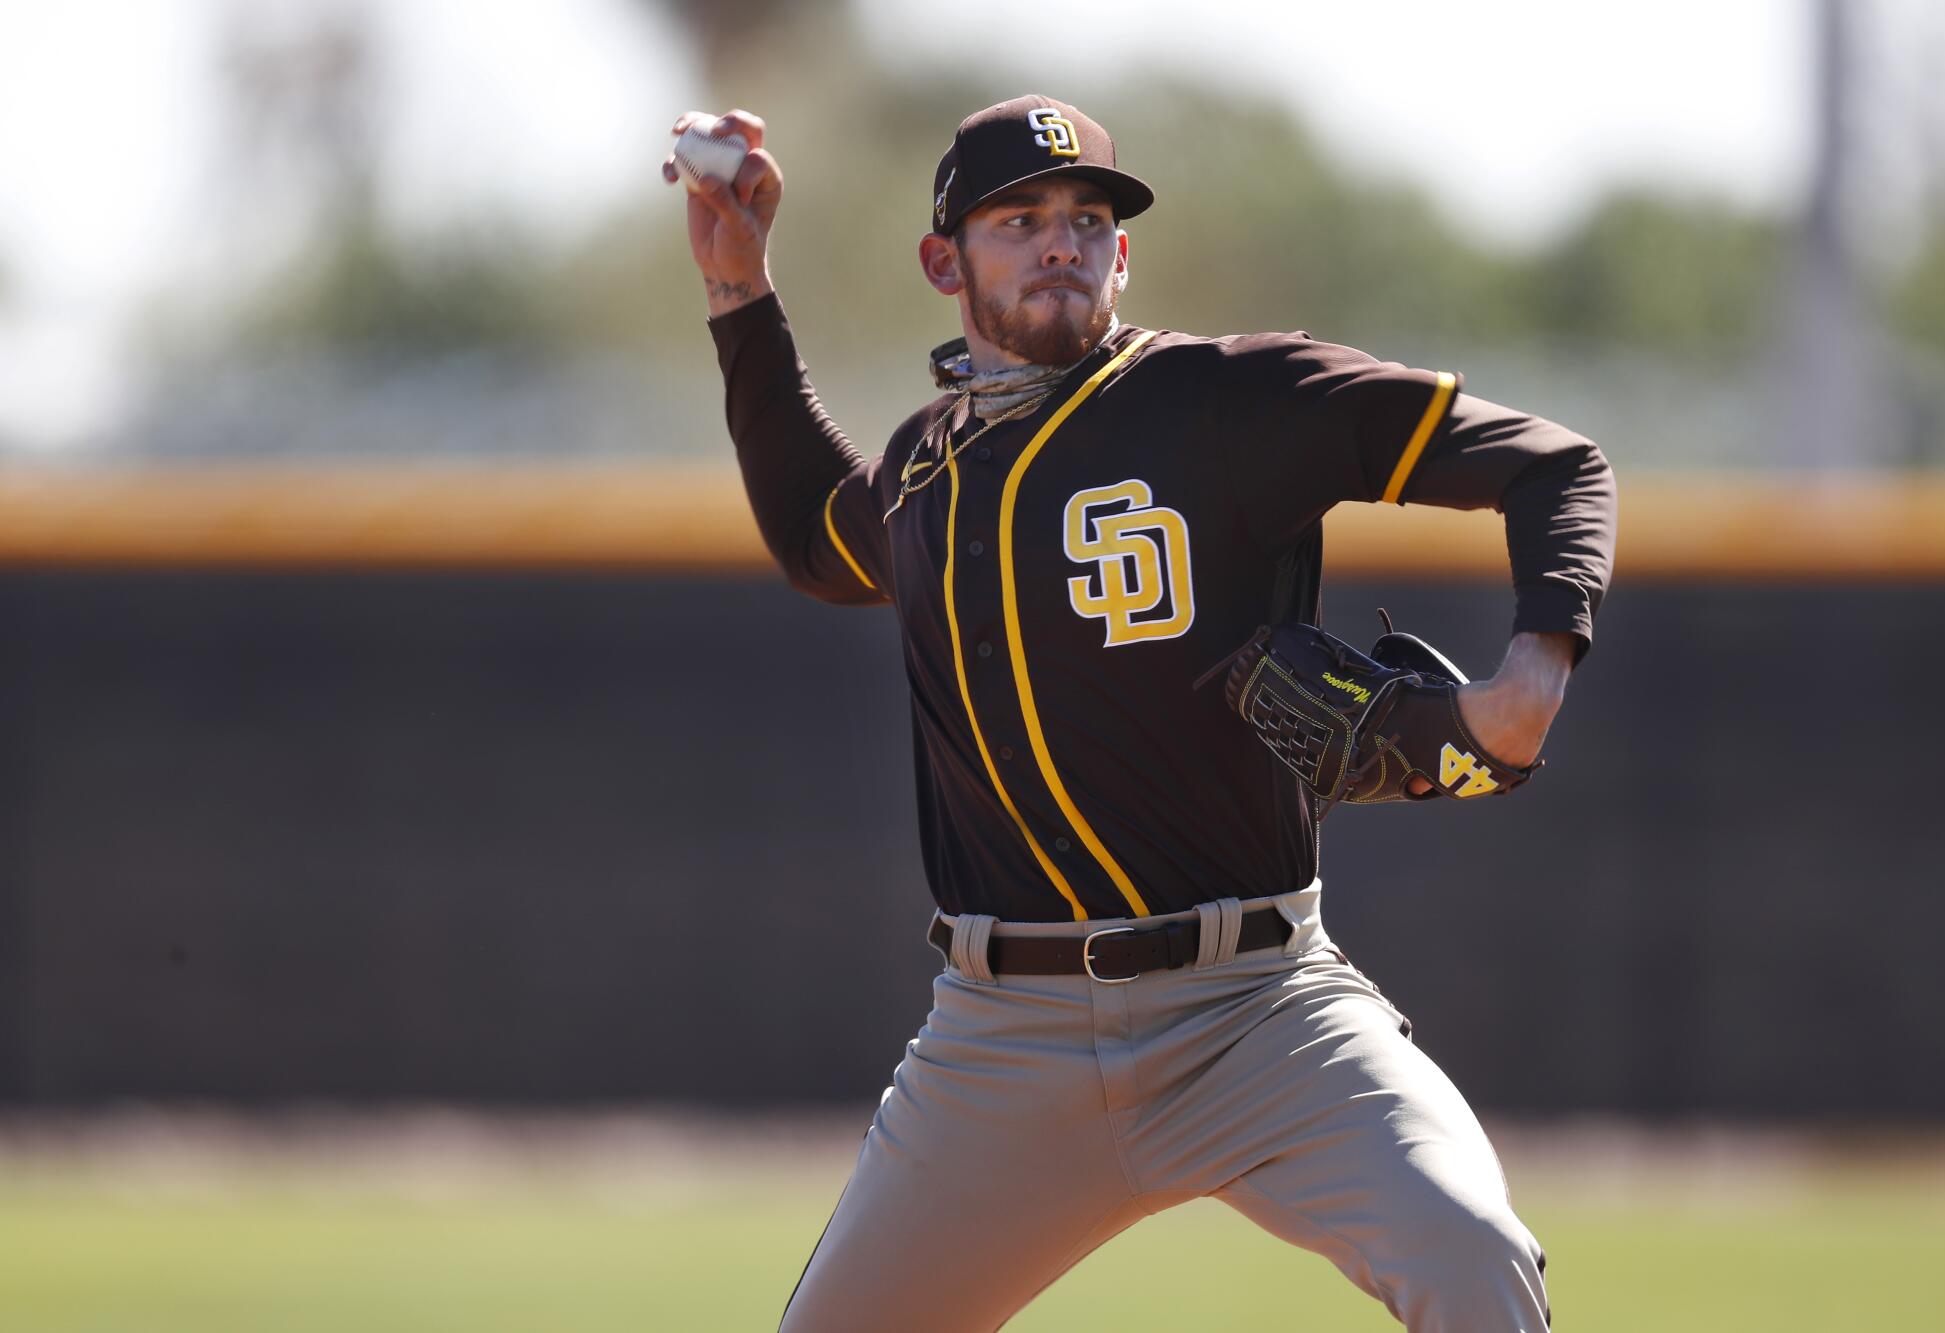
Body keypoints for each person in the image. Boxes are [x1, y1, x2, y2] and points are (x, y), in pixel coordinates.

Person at [667, 94, 1614, 1332]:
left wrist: (1533, 672)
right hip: (1003, 1042)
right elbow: (812, 533)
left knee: (1471, 1252)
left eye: (1086, 217)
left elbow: (1552, 464)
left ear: (1123, 252)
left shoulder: (1230, 398)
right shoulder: (922, 471)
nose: (1060, 240)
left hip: (1260, 1011)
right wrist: (739, 292)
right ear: (943, 262)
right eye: (1017, 219)